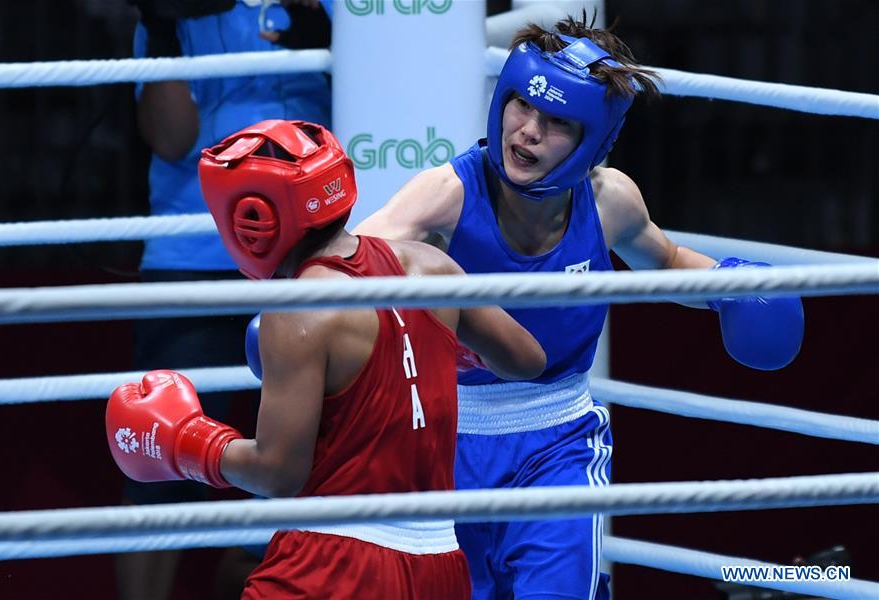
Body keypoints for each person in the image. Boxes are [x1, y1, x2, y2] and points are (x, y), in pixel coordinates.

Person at [354, 15, 805, 599]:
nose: (527, 132)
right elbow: (351, 264)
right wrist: (296, 328)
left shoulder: (608, 199)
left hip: (557, 441)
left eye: (556, 121)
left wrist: (731, 286)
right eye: (520, 106)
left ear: (594, 139)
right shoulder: (447, 195)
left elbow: (663, 260)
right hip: (441, 441)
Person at [105, 119, 547, 598]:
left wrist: (187, 445)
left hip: (334, 561)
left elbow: (278, 471)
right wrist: (447, 349)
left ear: (253, 217)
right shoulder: (430, 265)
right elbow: (528, 360)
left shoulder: (299, 310)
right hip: (440, 564)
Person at [120, 1, 332, 597]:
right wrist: (162, 25)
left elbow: (384, 111)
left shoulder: (339, 8)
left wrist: (331, 47)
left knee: (309, 464)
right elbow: (169, 138)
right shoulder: (172, 11)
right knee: (157, 456)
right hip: (194, 257)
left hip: (307, 258)